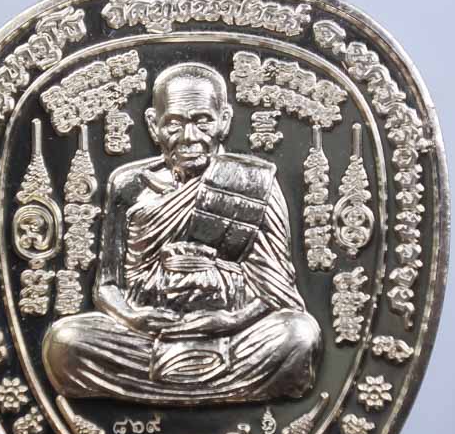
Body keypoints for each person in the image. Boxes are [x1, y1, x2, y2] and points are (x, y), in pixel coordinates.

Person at [42, 62, 322, 404]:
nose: (189, 137)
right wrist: (133, 317)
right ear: (153, 125)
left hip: (233, 333)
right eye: (174, 123)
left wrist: (228, 319)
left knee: (299, 335)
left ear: (224, 121)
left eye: (202, 121)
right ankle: (219, 392)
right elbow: (107, 286)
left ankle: (158, 393)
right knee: (65, 342)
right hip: (147, 335)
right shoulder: (128, 185)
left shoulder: (252, 183)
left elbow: (276, 290)